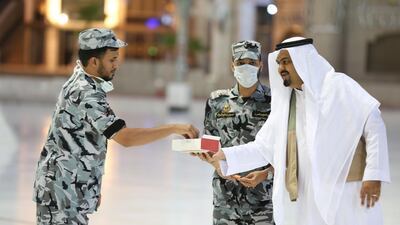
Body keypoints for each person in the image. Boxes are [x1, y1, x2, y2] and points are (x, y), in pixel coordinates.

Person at [213, 37, 390, 225]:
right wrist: (224, 154)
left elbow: (374, 125)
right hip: (311, 195)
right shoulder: (288, 104)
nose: (281, 68)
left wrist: (374, 174)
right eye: (279, 63)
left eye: (286, 61)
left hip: (348, 190)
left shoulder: (339, 86)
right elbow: (263, 147)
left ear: (304, 61)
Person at [32, 28, 199, 225]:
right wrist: (174, 128)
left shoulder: (83, 79)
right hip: (62, 194)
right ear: (94, 61)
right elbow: (125, 137)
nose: (116, 65)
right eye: (111, 60)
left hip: (68, 189)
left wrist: (91, 187)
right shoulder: (86, 92)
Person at [194, 40, 274, 225]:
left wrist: (266, 174)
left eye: (252, 63)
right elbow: (209, 144)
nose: (246, 67)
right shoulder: (217, 101)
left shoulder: (274, 101)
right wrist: (216, 165)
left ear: (260, 65)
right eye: (240, 63)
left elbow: (282, 151)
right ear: (232, 65)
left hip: (263, 198)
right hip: (226, 198)